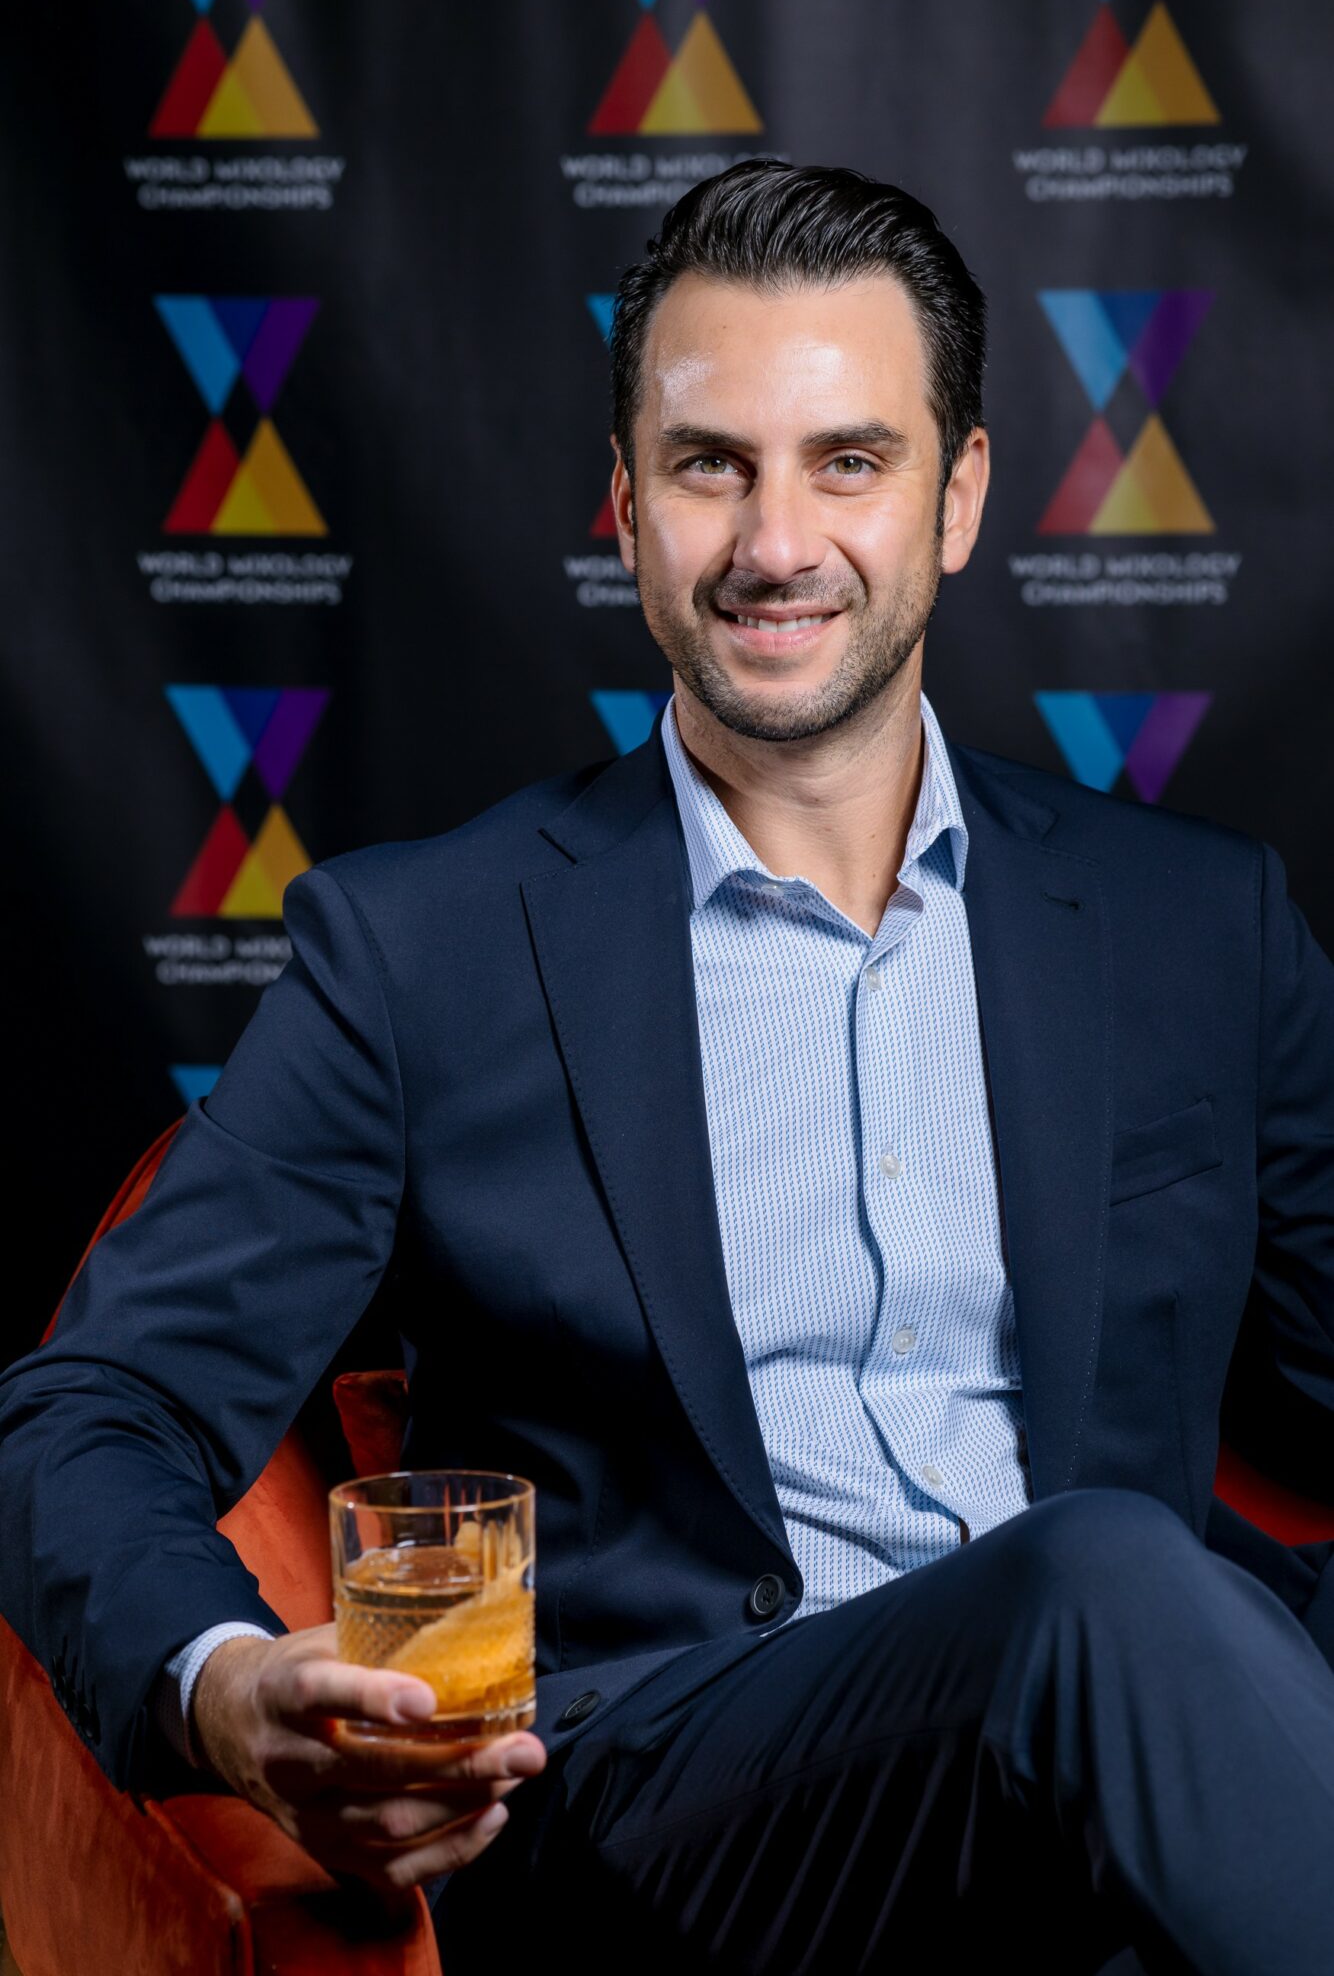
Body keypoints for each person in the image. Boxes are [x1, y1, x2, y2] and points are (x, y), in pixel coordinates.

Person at [4, 159, 1334, 1974]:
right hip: (675, 1835)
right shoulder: (424, 953)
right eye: (713, 466)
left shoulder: (1195, 925)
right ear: (627, 508)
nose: (775, 543)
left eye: (847, 462)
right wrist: (228, 1689)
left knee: (1129, 1612)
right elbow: (91, 1411)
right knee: (1095, 1569)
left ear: (955, 499)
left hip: (1132, 1811)